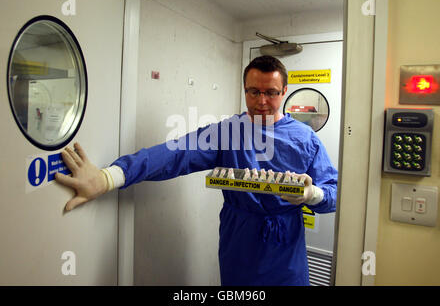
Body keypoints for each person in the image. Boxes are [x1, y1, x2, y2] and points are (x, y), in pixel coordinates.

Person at [55, 55, 338, 286]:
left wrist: (311, 194)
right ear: (245, 90)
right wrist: (110, 177)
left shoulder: (305, 139)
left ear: (284, 91)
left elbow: (333, 194)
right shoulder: (229, 132)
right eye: (254, 92)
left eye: (271, 93)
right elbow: (175, 152)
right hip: (239, 241)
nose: (262, 101)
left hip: (285, 247)